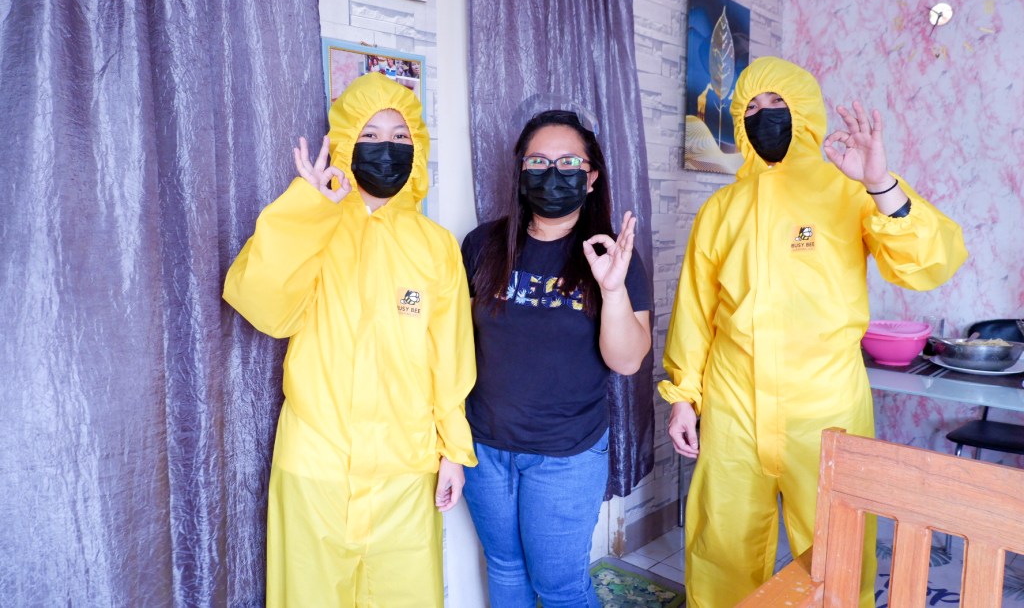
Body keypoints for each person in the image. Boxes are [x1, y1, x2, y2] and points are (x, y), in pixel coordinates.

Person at [660, 57, 967, 608]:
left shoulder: (849, 189)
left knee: (838, 543)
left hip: (825, 405)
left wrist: (879, 183)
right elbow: (696, 310)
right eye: (751, 106)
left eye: (777, 102)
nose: (764, 115)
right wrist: (683, 395)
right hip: (733, 405)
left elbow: (928, 264)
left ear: (803, 109)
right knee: (722, 543)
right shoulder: (721, 208)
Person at [223, 72, 476, 607]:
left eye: (401, 136)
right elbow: (262, 305)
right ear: (344, 144)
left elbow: (449, 356)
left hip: (406, 468)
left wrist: (453, 452)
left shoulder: (435, 246)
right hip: (317, 465)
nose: (388, 147)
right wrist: (308, 207)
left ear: (418, 148)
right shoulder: (316, 224)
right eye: (371, 135)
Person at [460, 109, 653, 607]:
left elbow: (627, 361)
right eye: (538, 162)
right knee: (505, 568)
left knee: (560, 587)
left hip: (566, 453)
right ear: (520, 172)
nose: (552, 174)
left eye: (568, 162)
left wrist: (612, 289)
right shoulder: (482, 245)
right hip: (484, 448)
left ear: (591, 177)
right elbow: (455, 344)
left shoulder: (612, 255)